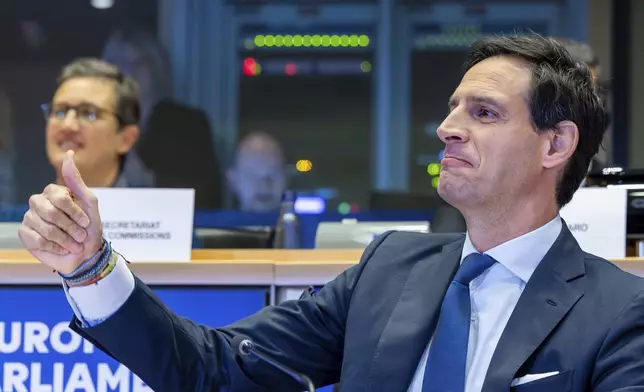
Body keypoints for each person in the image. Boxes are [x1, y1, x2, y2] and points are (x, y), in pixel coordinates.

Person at [18, 35, 644, 391]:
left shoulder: (620, 313)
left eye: (483, 113)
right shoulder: (389, 271)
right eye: (452, 109)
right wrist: (90, 267)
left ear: (556, 144)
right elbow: (211, 370)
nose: (447, 128)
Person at [102, 26, 223, 209]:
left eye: (140, 62)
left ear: (155, 67)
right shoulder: (95, 125)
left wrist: (148, 180)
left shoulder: (188, 124)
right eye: (120, 62)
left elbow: (207, 195)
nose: (130, 71)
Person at [43, 58, 146, 188]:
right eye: (59, 112)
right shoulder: (28, 208)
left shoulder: (146, 208)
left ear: (126, 139)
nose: (67, 125)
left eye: (88, 113)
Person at [226, 131, 288, 213]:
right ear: (232, 180)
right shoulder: (210, 224)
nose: (264, 186)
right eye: (252, 176)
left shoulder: (306, 225)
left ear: (286, 177)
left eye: (273, 175)